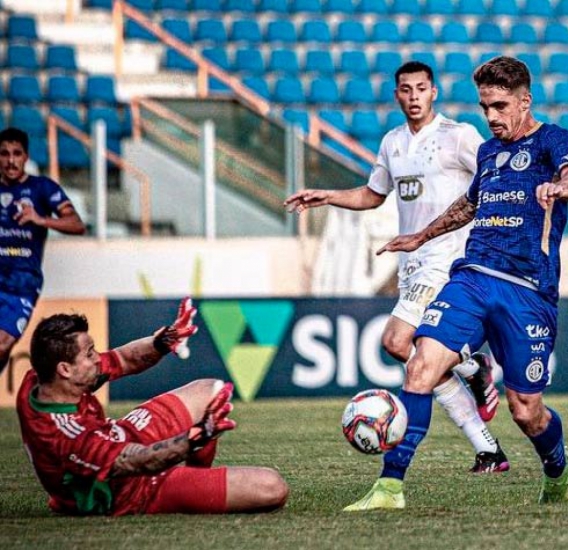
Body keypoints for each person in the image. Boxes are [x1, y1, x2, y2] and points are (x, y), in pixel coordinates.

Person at [343, 56, 568, 511]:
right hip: (472, 278)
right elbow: (469, 204)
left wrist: (563, 188)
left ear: (524, 101)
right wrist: (420, 236)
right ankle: (389, 488)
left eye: (500, 106)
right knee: (420, 366)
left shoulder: (555, 140)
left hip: (527, 291)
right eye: (484, 107)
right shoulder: (487, 153)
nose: (492, 117)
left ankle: (556, 464)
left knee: (525, 410)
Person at [284, 61, 508, 473]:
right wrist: (327, 196)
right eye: (405, 89)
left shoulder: (458, 137)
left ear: (434, 92)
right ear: (396, 95)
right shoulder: (392, 143)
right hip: (412, 263)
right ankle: (486, 438)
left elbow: (494, 179)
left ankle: (471, 378)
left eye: (421, 88)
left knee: (396, 340)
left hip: (448, 261)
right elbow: (373, 195)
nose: (413, 96)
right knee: (411, 352)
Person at [17, 297, 289, 515]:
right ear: (65, 369)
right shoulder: (68, 438)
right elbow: (140, 460)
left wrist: (161, 342)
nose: (97, 359)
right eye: (89, 354)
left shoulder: (39, 380)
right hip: (132, 490)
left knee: (212, 392)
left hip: (122, 436)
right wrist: (193, 438)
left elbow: (123, 359)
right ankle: (185, 488)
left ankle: (196, 480)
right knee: (272, 487)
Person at [0, 127, 85, 376]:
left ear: (26, 157)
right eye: (4, 154)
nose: (11, 160)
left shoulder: (42, 188)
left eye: (17, 153)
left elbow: (77, 224)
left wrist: (40, 219)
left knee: (2, 345)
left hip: (22, 282)